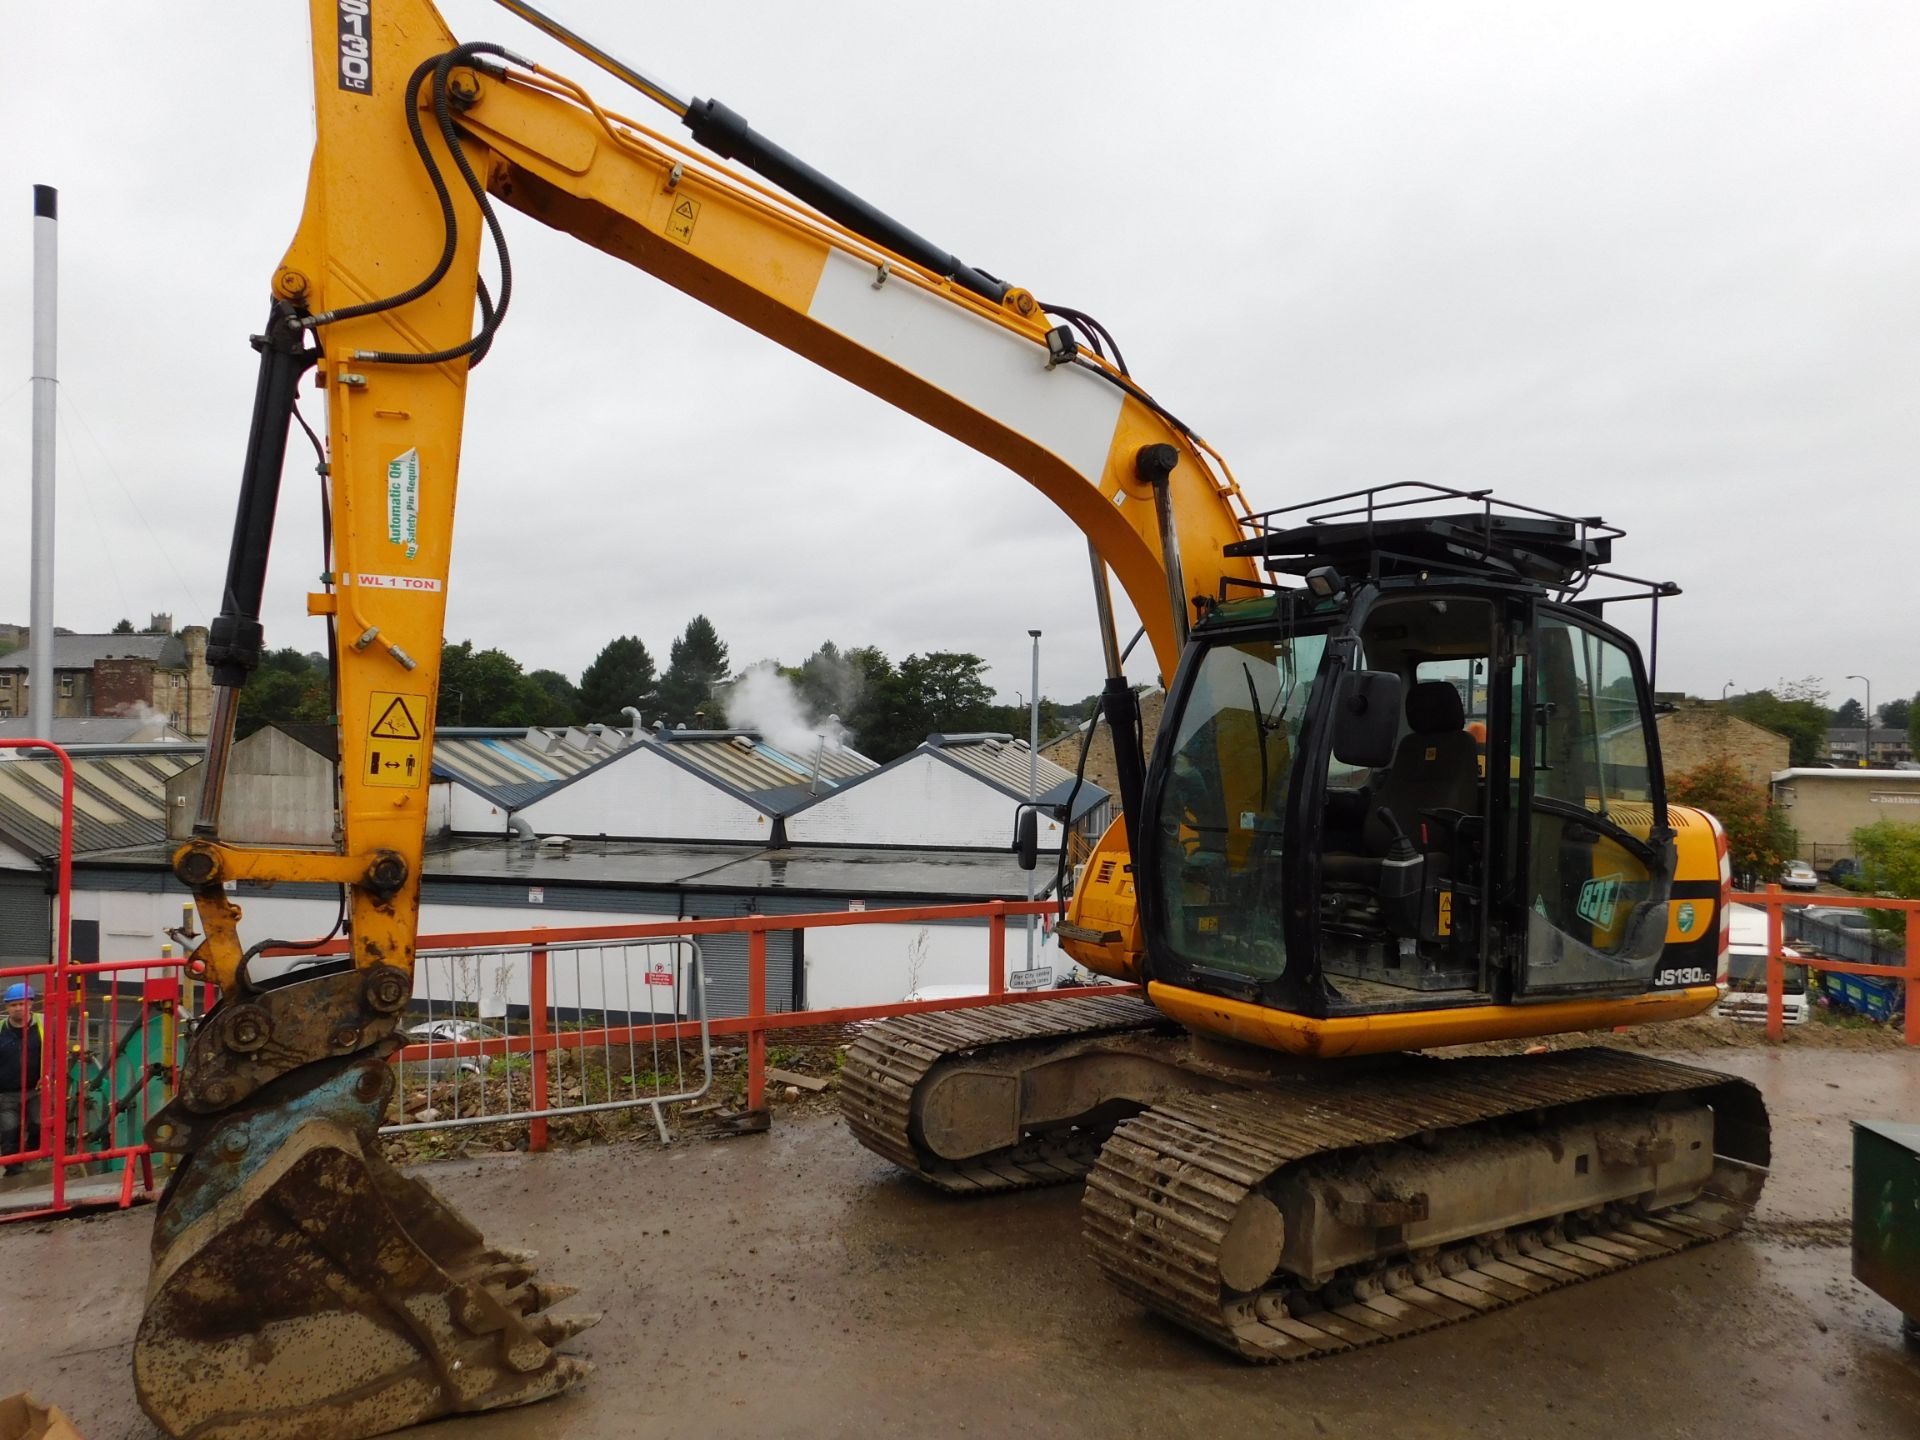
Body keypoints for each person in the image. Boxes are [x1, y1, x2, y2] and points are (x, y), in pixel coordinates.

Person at [0, 982, 43, 1175]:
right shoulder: (1, 1029)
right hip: (7, 1093)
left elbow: (56, 1054)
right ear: (7, 1007)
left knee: (38, 1125)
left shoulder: (45, 1025)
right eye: (13, 1004)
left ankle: (31, 1155)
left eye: (22, 1003)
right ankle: (13, 1170)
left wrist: (50, 1075)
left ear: (31, 1003)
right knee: (10, 1132)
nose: (18, 1008)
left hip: (37, 1089)